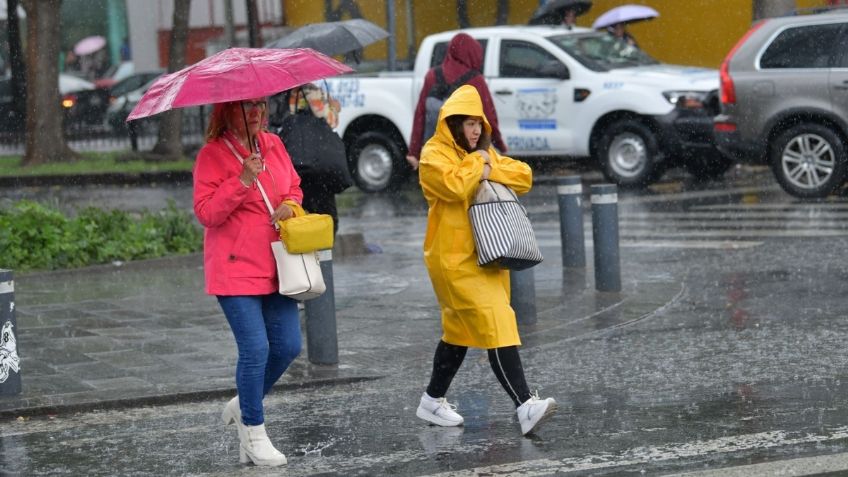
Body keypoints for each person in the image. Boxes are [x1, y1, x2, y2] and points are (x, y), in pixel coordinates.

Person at [415, 84, 557, 436]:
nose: (476, 130)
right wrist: (481, 162)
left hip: (488, 254)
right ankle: (525, 405)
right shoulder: (434, 154)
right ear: (452, 124)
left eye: (479, 124)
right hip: (452, 260)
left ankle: (432, 401)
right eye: (468, 123)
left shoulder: (482, 154)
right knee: (497, 319)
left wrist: (486, 164)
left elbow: (524, 177)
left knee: (458, 334)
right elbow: (453, 187)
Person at [193, 97, 303, 467]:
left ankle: (243, 404)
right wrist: (242, 180)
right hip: (235, 268)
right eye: (245, 106)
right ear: (226, 111)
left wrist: (291, 204)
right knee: (255, 350)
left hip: (277, 266)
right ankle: (254, 430)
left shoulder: (273, 144)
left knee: (287, 346)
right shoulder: (212, 154)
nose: (254, 112)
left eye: (259, 104)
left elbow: (295, 187)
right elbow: (206, 213)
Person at [406, 33, 507, 171]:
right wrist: (500, 144)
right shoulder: (476, 80)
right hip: (468, 153)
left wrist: (414, 151)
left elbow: (420, 115)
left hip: (437, 152)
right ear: (472, 53)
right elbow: (489, 117)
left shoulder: (432, 76)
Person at [277, 83, 351, 234]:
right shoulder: (311, 91)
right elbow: (330, 121)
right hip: (317, 164)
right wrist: (334, 108)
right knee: (326, 216)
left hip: (297, 163)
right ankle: (323, 251)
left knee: (301, 212)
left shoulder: (287, 93)